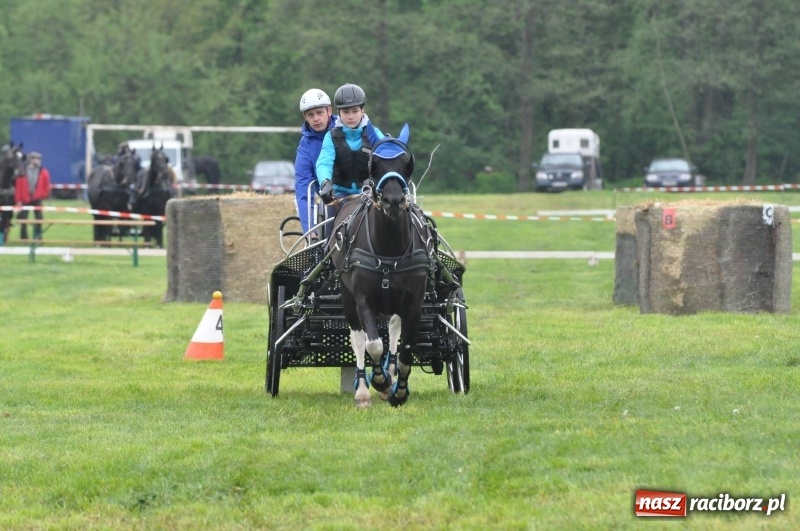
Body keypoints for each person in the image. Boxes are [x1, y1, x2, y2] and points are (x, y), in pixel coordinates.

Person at [315, 83, 384, 208]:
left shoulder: (375, 133)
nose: (350, 116)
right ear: (339, 112)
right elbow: (324, 163)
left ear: (362, 110)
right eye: (346, 112)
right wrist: (325, 182)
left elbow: (386, 160)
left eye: (355, 111)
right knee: (329, 224)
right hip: (340, 196)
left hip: (370, 194)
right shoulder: (330, 137)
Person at [294, 88, 336, 235]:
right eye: (311, 115)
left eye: (319, 113)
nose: (316, 119)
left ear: (329, 111)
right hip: (332, 204)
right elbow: (303, 190)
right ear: (305, 117)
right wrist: (310, 230)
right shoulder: (304, 147)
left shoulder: (346, 128)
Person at [15, 151, 51, 240]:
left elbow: (47, 185)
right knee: (23, 217)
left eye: (39, 159)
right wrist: (18, 200)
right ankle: (23, 237)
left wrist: (43, 194)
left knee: (39, 217)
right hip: (25, 198)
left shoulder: (43, 172)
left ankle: (38, 236)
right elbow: (18, 186)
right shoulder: (22, 171)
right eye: (37, 159)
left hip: (37, 198)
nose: (39, 161)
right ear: (31, 160)